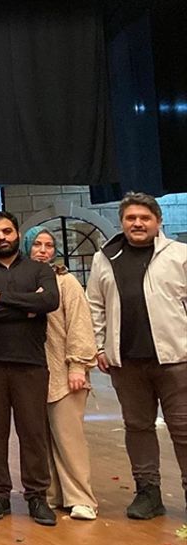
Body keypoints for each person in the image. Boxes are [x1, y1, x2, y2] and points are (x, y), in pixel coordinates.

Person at [87, 192, 187, 520]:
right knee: (137, 427)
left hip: (176, 360)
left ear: (158, 221)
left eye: (145, 218)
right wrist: (99, 347)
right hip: (127, 362)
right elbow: (95, 305)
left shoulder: (180, 255)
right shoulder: (105, 257)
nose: (138, 223)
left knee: (183, 428)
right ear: (122, 223)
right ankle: (148, 493)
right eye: (131, 218)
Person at [0, 211, 60, 526]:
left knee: (33, 431)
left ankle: (37, 496)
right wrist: (26, 306)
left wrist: (0, 298)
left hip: (30, 362)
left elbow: (49, 302)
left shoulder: (39, 269)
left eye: (6, 231)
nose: (1, 237)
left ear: (17, 233)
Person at [23, 226, 99, 521]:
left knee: (69, 437)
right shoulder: (21, 280)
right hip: (32, 371)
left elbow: (79, 324)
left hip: (64, 370)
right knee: (40, 438)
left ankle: (81, 498)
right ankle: (54, 494)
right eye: (37, 245)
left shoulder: (65, 282)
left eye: (49, 245)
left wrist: (78, 365)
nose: (43, 251)